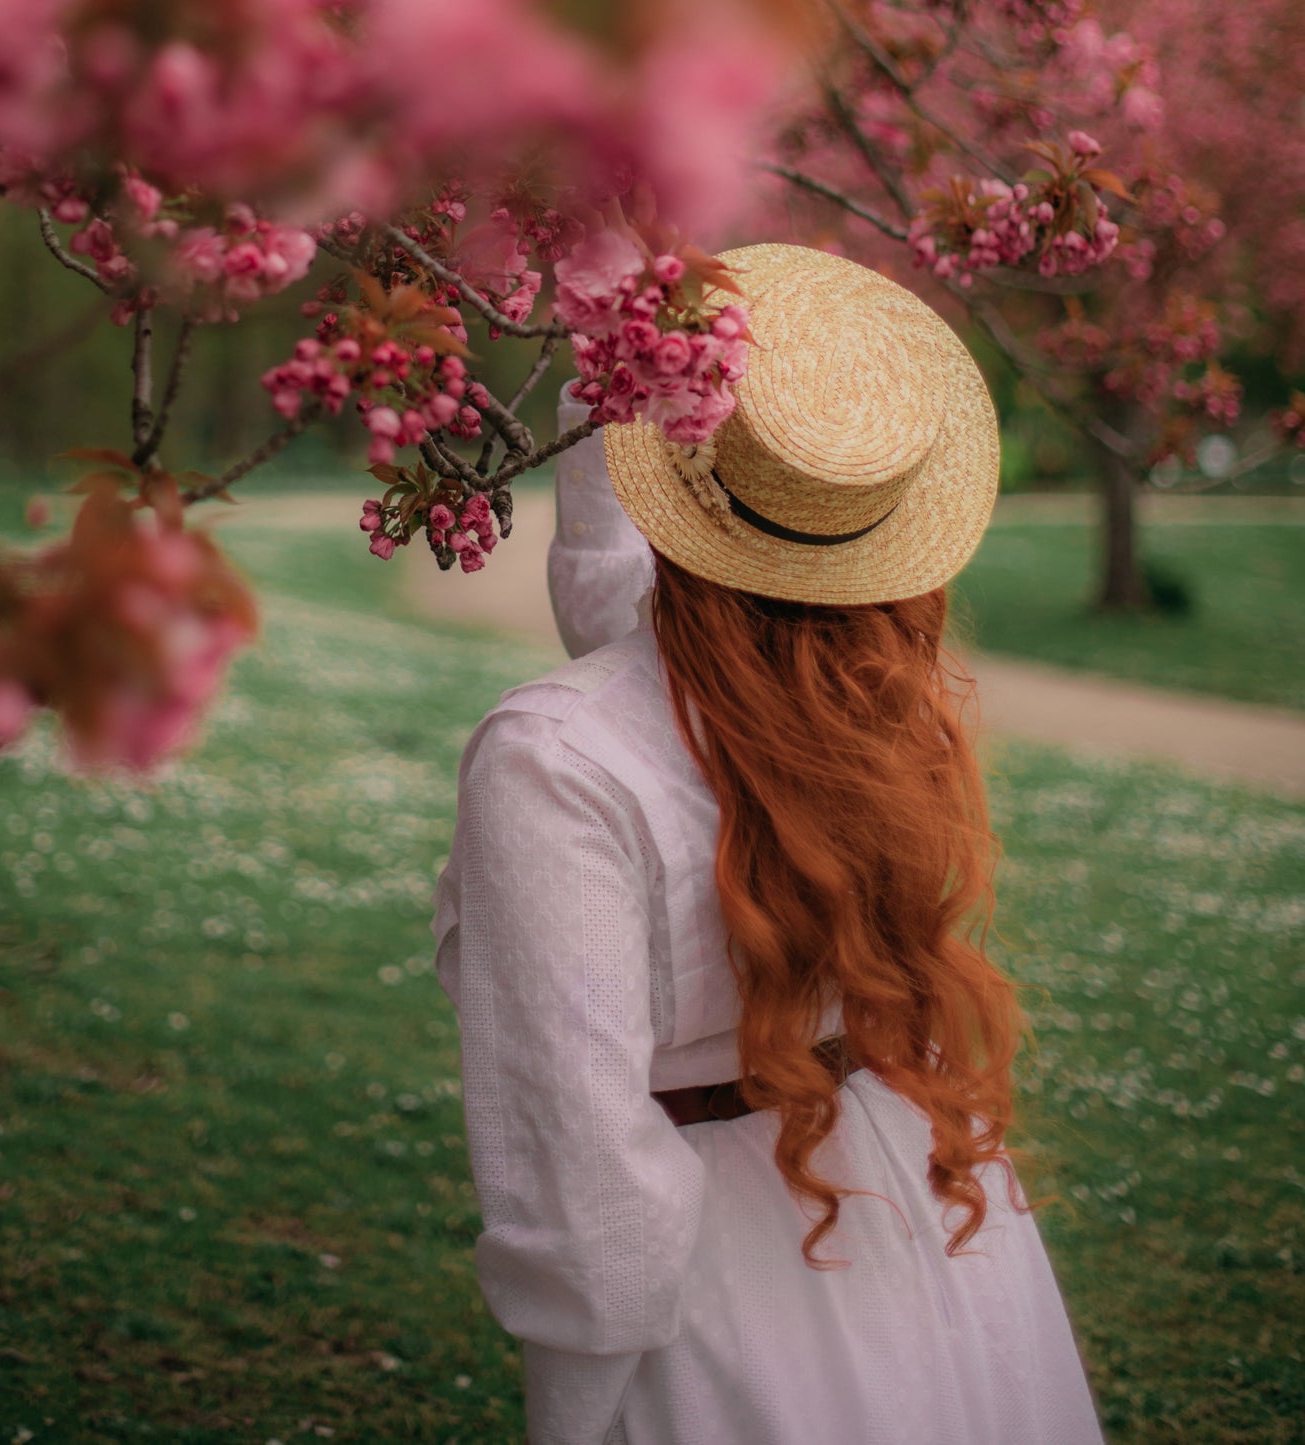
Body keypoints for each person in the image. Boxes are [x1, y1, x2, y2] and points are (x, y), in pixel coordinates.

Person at [431, 243, 1103, 1445]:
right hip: (915, 1207)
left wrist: (575, 1410)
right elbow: (625, 621)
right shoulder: (869, 703)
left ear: (680, 473)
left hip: (731, 1288)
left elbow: (586, 1189)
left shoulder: (557, 761)